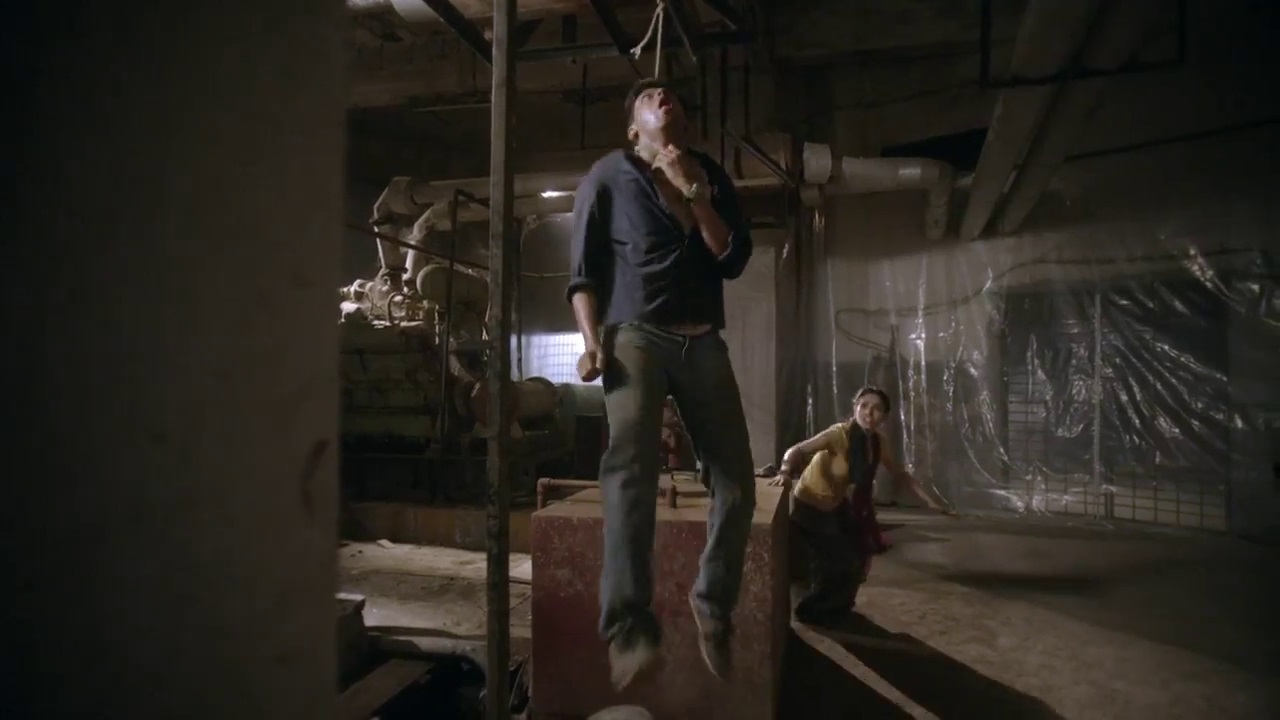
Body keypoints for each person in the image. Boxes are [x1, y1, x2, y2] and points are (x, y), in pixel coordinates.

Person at [565, 78, 756, 690]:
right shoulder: (609, 175)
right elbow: (582, 274)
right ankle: (628, 627)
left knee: (737, 482)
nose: (661, 96)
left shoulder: (710, 175)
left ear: (686, 122)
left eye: (669, 93)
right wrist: (591, 342)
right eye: (648, 97)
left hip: (703, 339)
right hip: (636, 334)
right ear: (633, 128)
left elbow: (732, 257)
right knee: (631, 468)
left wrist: (693, 190)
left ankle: (713, 605)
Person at [770, 386, 952, 626]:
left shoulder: (876, 443)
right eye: (864, 406)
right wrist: (785, 471)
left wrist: (932, 503)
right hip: (811, 504)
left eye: (876, 409)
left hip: (836, 504)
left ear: (884, 416)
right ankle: (811, 611)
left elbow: (900, 475)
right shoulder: (839, 434)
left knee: (858, 557)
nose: (869, 413)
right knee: (839, 563)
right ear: (855, 407)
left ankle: (836, 608)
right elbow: (796, 450)